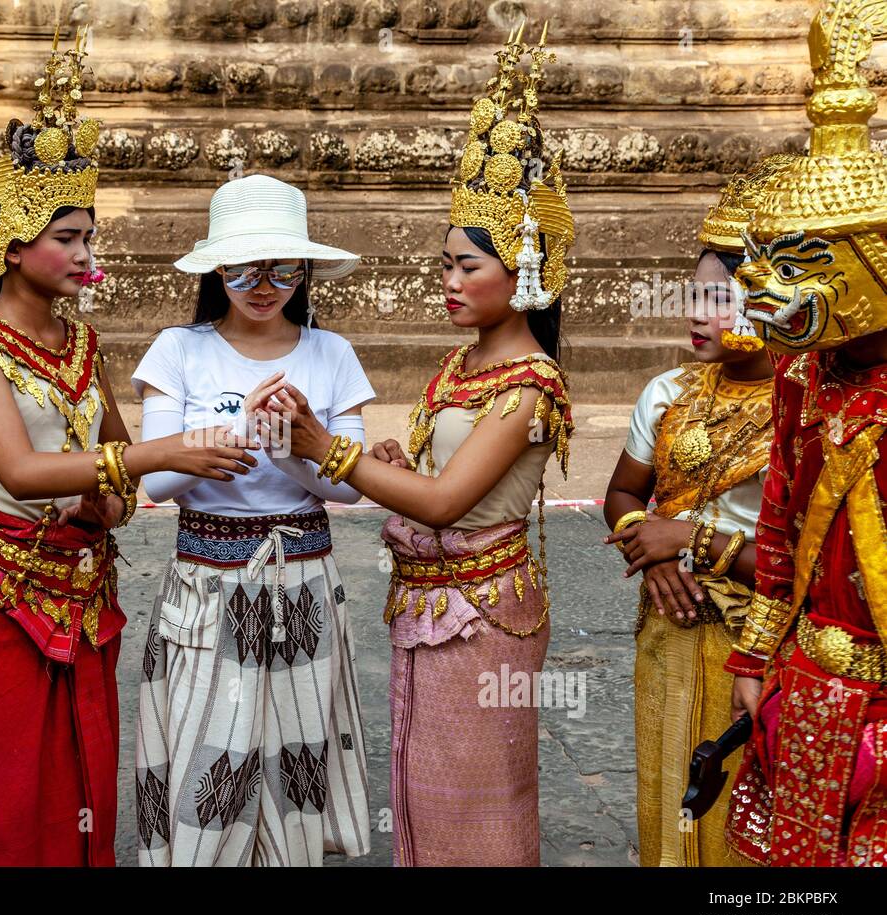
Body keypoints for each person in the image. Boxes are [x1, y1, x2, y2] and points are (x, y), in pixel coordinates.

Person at [248, 24, 574, 866]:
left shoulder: (530, 383)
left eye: (469, 267)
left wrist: (330, 450)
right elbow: (433, 481)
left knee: (482, 807)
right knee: (425, 798)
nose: (450, 283)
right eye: (444, 265)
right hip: (429, 606)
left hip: (483, 615)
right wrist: (395, 462)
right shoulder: (464, 365)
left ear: (528, 269)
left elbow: (445, 503)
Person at [0, 27, 258, 866]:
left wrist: (107, 499)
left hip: (82, 584)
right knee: (7, 794)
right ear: (10, 245)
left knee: (84, 778)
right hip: (2, 589)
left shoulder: (83, 346)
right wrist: (164, 454)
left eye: (89, 237)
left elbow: (116, 480)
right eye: (68, 238)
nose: (87, 256)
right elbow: (17, 470)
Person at [132, 173, 374, 867]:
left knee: (294, 758)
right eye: (241, 268)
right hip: (207, 582)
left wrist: (292, 448)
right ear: (215, 269)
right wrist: (232, 439)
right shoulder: (178, 350)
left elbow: (347, 491)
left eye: (282, 268)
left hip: (301, 576)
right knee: (207, 755)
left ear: (305, 270)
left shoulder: (332, 354)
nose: (263, 283)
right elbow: (155, 483)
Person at [723, 0, 887, 867]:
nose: (759, 287)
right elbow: (780, 517)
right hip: (811, 678)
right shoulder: (803, 375)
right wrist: (755, 653)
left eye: (797, 263)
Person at [602, 154, 792, 866]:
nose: (696, 313)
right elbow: (624, 495)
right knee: (670, 801)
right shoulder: (668, 391)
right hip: (671, 630)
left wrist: (689, 539)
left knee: (746, 814)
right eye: (695, 295)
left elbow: (800, 560)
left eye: (722, 298)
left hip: (762, 638)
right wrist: (645, 548)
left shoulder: (806, 406)